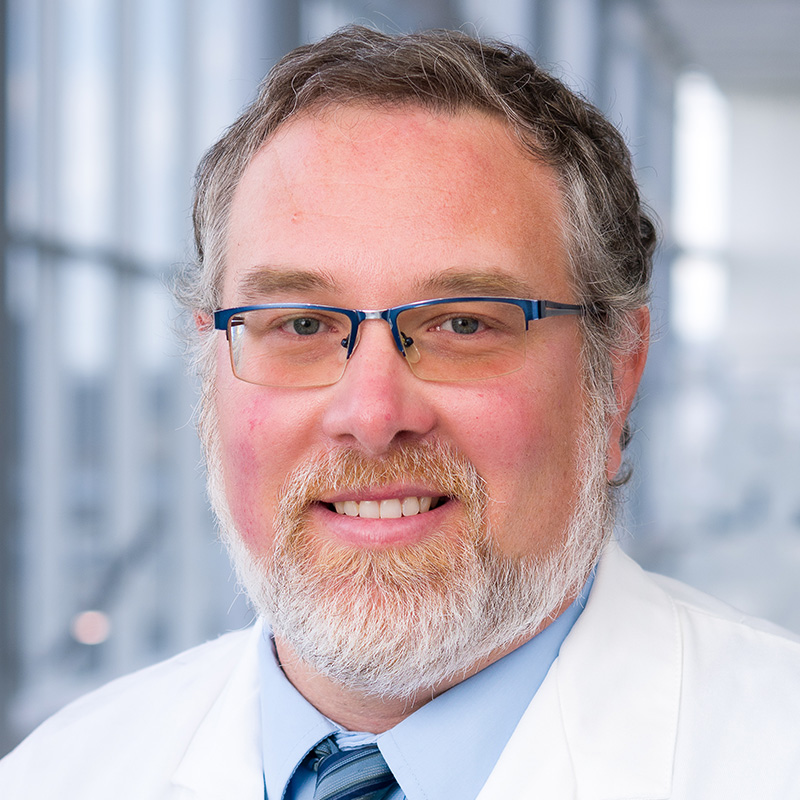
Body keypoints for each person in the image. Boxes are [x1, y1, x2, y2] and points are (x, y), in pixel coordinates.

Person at [2, 25, 799, 800]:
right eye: (302, 325)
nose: (373, 414)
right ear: (209, 367)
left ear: (619, 366)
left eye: (463, 324)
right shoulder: (60, 775)